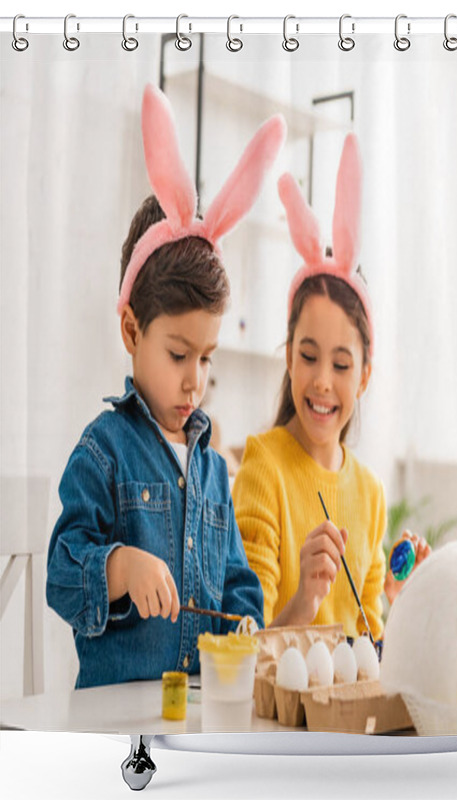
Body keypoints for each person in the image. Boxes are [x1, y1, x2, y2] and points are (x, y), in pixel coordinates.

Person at [45, 85, 286, 688]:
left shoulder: (210, 469)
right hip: (115, 721)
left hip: (198, 713)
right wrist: (120, 567)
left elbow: (236, 582)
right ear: (131, 329)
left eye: (207, 358)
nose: (194, 380)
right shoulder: (103, 451)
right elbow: (60, 573)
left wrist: (247, 624)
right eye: (179, 354)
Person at [232, 134, 429, 640]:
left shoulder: (370, 493)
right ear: (289, 357)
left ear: (364, 375)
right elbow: (243, 645)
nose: (322, 381)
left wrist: (393, 597)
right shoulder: (263, 467)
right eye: (308, 356)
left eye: (341, 365)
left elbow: (371, 647)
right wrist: (305, 601)